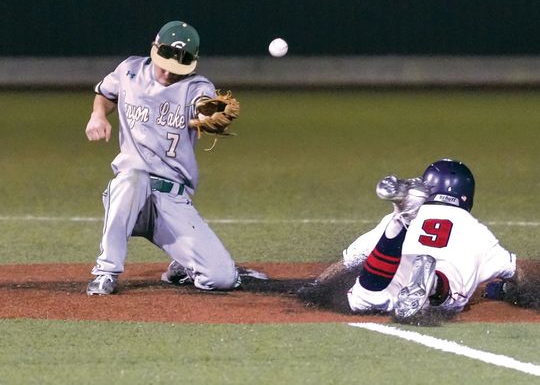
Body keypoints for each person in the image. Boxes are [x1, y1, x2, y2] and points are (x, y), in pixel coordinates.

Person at [85, 20, 246, 295]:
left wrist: (207, 114)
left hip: (171, 201)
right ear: (154, 49)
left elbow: (203, 105)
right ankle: (106, 272)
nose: (169, 73)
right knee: (132, 177)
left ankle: (183, 263)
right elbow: (105, 93)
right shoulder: (130, 70)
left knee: (221, 279)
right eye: (165, 64)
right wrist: (98, 114)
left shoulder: (197, 87)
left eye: (177, 68)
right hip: (130, 196)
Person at [299, 159, 537, 323]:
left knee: (363, 299)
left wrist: (316, 287)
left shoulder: (421, 215)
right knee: (450, 291)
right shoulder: (478, 231)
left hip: (396, 267)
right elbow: (517, 273)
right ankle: (432, 284)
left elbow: (351, 260)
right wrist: (511, 290)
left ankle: (400, 218)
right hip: (442, 275)